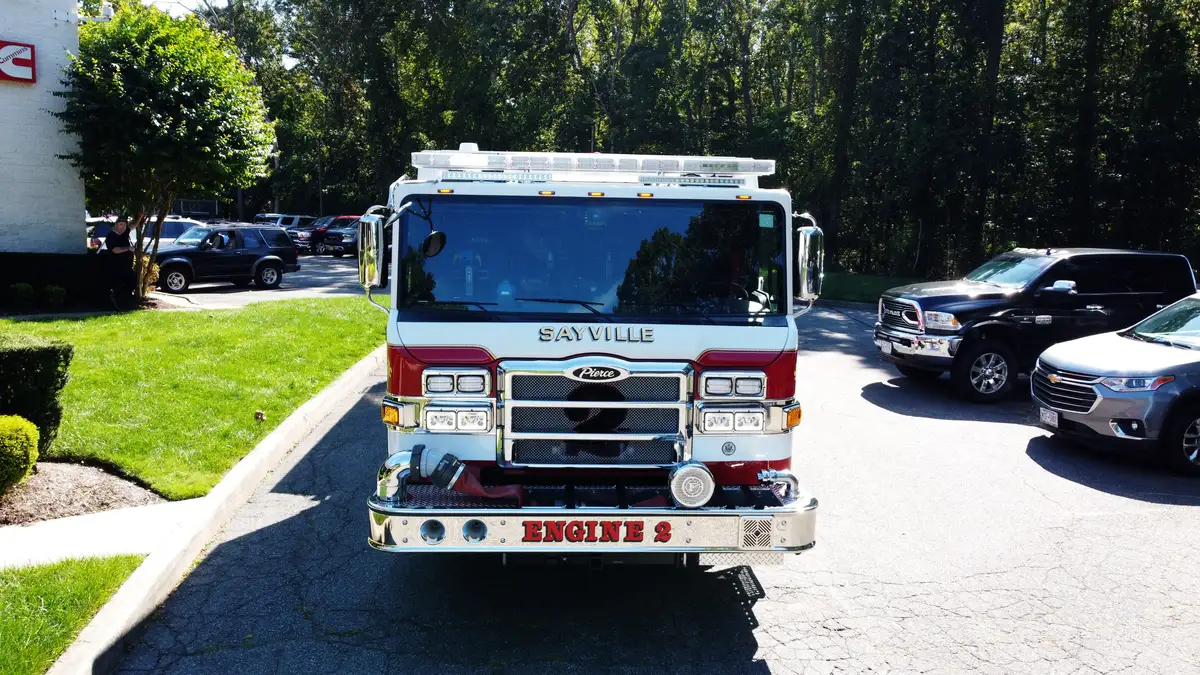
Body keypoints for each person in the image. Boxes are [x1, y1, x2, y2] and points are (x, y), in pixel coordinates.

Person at [105, 219, 136, 310]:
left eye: (124, 225)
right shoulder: (111, 236)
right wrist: (128, 248)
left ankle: (127, 303)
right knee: (118, 287)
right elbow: (114, 250)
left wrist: (139, 216)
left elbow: (133, 225)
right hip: (116, 267)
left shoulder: (124, 233)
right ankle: (117, 305)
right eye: (120, 225)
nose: (123, 227)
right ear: (116, 225)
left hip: (127, 267)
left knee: (132, 282)